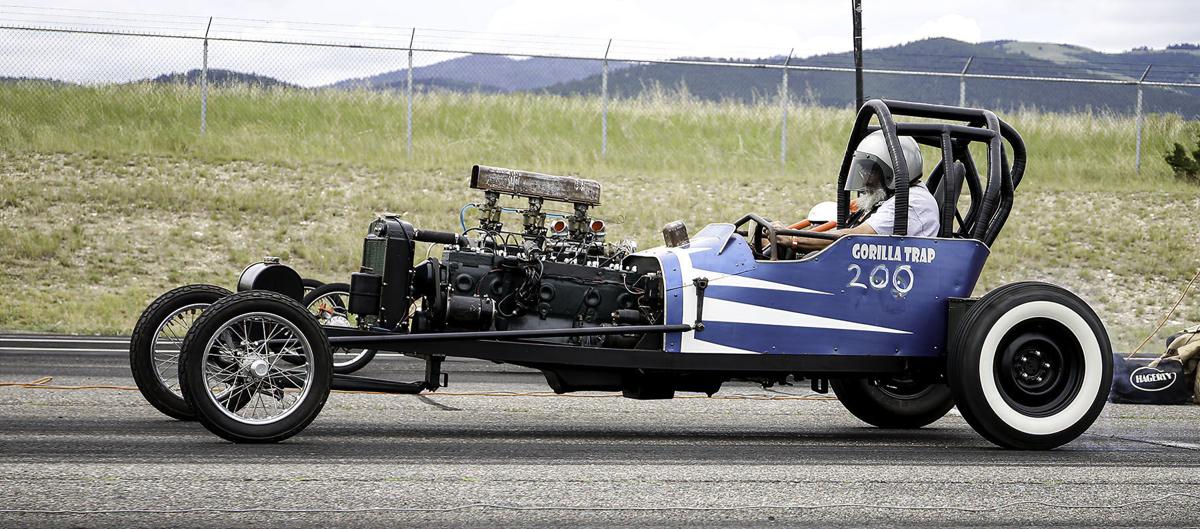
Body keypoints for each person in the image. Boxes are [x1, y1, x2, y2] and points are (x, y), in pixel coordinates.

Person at [779, 131, 940, 252]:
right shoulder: (891, 197)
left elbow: (853, 237)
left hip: (892, 278)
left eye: (871, 172)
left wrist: (793, 239)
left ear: (892, 172)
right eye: (863, 171)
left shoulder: (911, 202)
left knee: (809, 260)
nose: (865, 180)